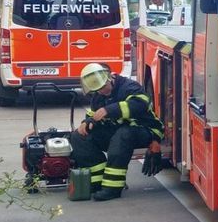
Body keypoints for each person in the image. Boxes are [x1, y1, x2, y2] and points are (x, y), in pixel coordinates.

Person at [70, 63, 165, 201]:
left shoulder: (129, 86)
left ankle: (112, 188)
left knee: (122, 136)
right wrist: (88, 122)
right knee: (79, 136)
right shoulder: (98, 96)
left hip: (146, 130)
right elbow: (95, 113)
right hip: (118, 131)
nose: (101, 91)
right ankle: (97, 182)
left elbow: (140, 104)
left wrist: (109, 110)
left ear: (110, 78)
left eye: (103, 87)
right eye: (96, 89)